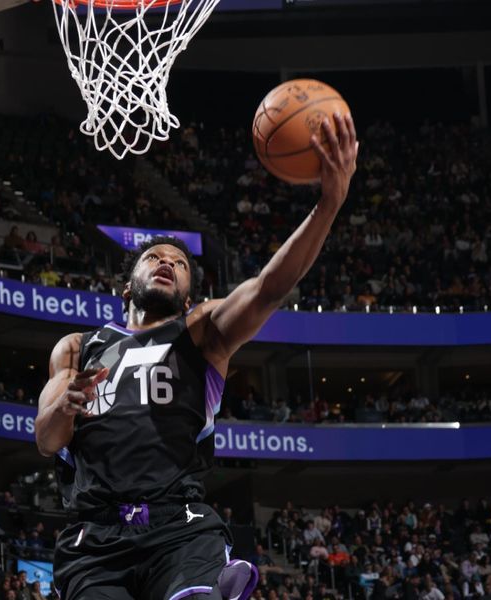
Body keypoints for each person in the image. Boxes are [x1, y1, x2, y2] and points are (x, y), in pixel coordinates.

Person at [35, 114, 358, 600]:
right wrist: (66, 405)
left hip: (179, 529)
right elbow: (45, 438)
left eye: (180, 263)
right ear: (127, 285)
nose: (167, 261)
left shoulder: (201, 331)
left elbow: (269, 289)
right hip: (94, 538)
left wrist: (329, 204)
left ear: (188, 296)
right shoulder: (78, 348)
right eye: (155, 257)